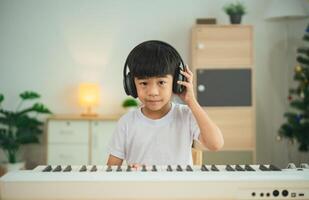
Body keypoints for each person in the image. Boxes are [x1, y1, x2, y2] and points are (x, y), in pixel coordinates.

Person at [107, 40, 223, 166]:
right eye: (144, 83)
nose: (153, 92)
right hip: (141, 186)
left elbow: (215, 144)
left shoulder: (186, 115)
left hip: (177, 186)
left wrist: (192, 101)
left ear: (176, 82)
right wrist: (128, 172)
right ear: (131, 85)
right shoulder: (127, 122)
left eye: (161, 82)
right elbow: (111, 170)